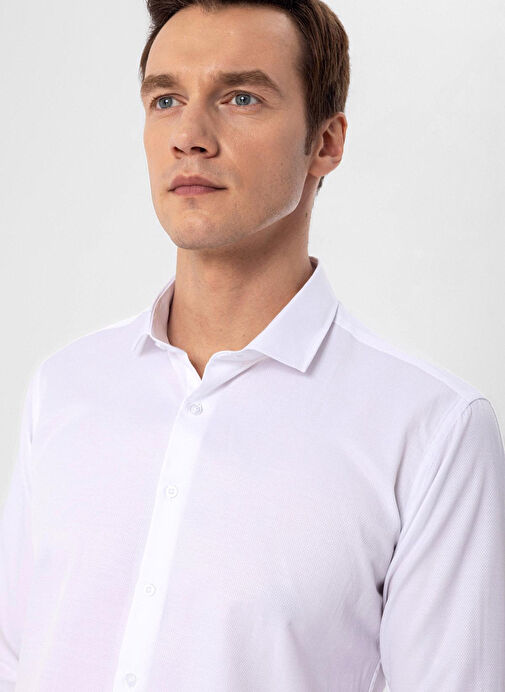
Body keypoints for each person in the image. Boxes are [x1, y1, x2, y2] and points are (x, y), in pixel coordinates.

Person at [1, 0, 504, 690]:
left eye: (240, 97)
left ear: (325, 143)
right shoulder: (65, 388)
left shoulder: (430, 430)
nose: (189, 136)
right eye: (166, 99)